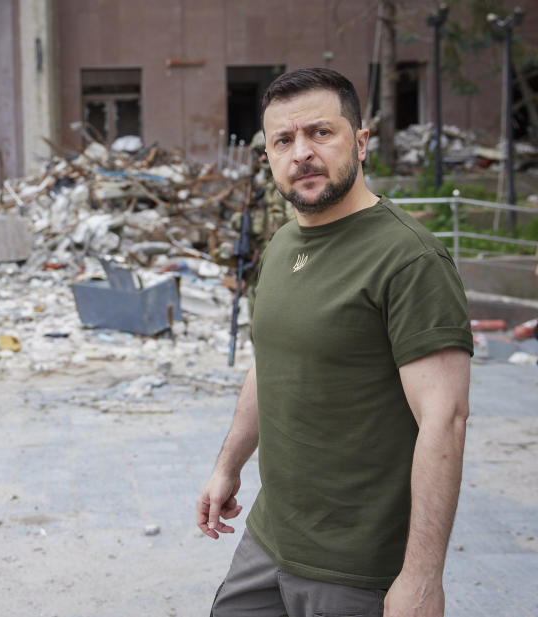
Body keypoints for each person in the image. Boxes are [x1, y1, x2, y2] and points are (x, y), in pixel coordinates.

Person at [196, 68, 473, 617]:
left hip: (356, 569)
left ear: (361, 142)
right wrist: (228, 464)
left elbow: (445, 419)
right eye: (284, 140)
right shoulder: (281, 246)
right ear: (269, 157)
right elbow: (269, 361)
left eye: (320, 133)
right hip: (268, 541)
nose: (301, 152)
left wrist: (421, 578)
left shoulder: (409, 260)